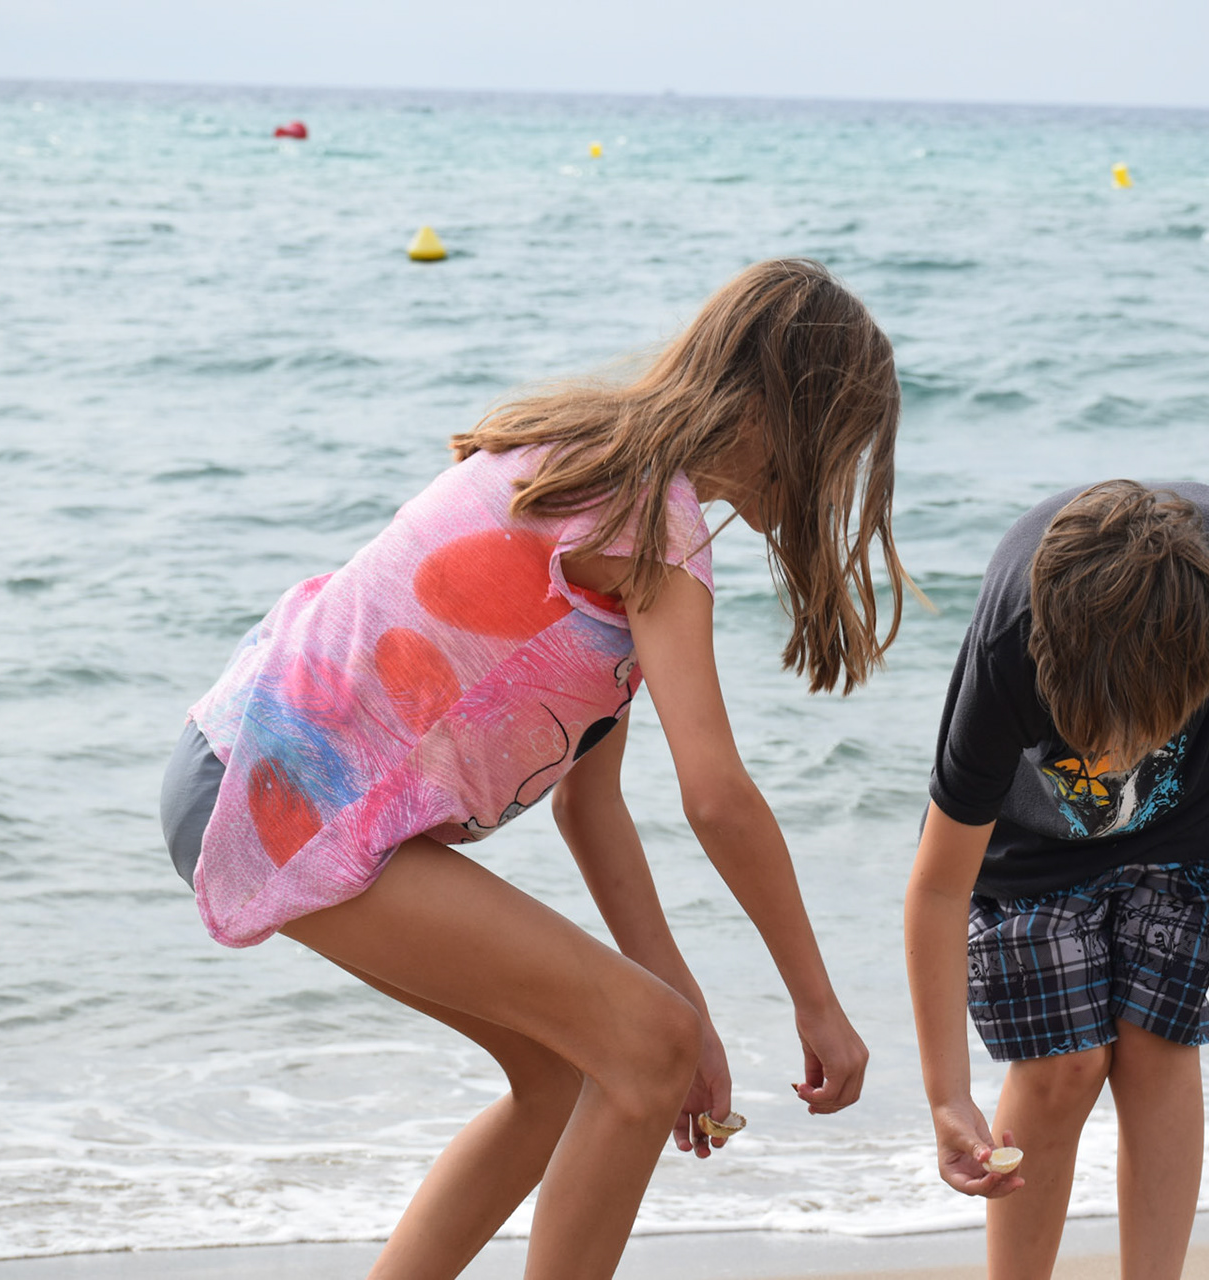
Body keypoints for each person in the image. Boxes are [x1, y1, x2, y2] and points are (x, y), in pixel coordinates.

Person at [160, 259, 902, 1280]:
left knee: (574, 1064)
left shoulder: (600, 466)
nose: (844, 473)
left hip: (245, 764)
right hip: (281, 790)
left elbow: (592, 806)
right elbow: (718, 795)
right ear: (786, 418)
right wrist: (815, 1003)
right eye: (844, 441)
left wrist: (681, 1004)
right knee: (643, 1045)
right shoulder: (655, 516)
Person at [903, 479, 1209, 1280]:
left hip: (1194, 813)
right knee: (1062, 1065)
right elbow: (938, 889)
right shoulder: (1007, 653)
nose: (1114, 762)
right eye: (1095, 737)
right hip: (1033, 843)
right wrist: (947, 1095)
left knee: (1156, 1041)